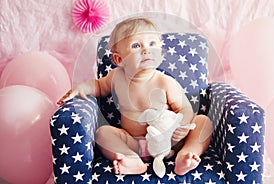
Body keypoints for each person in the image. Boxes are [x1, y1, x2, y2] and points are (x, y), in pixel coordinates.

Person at [57, 16, 212, 176]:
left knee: (202, 122)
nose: (146, 50)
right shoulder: (116, 77)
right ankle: (133, 160)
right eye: (136, 45)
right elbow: (98, 86)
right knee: (103, 133)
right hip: (135, 143)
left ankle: (186, 155)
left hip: (170, 141)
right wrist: (81, 88)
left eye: (152, 44)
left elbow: (185, 109)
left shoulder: (165, 82)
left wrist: (181, 126)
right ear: (119, 59)